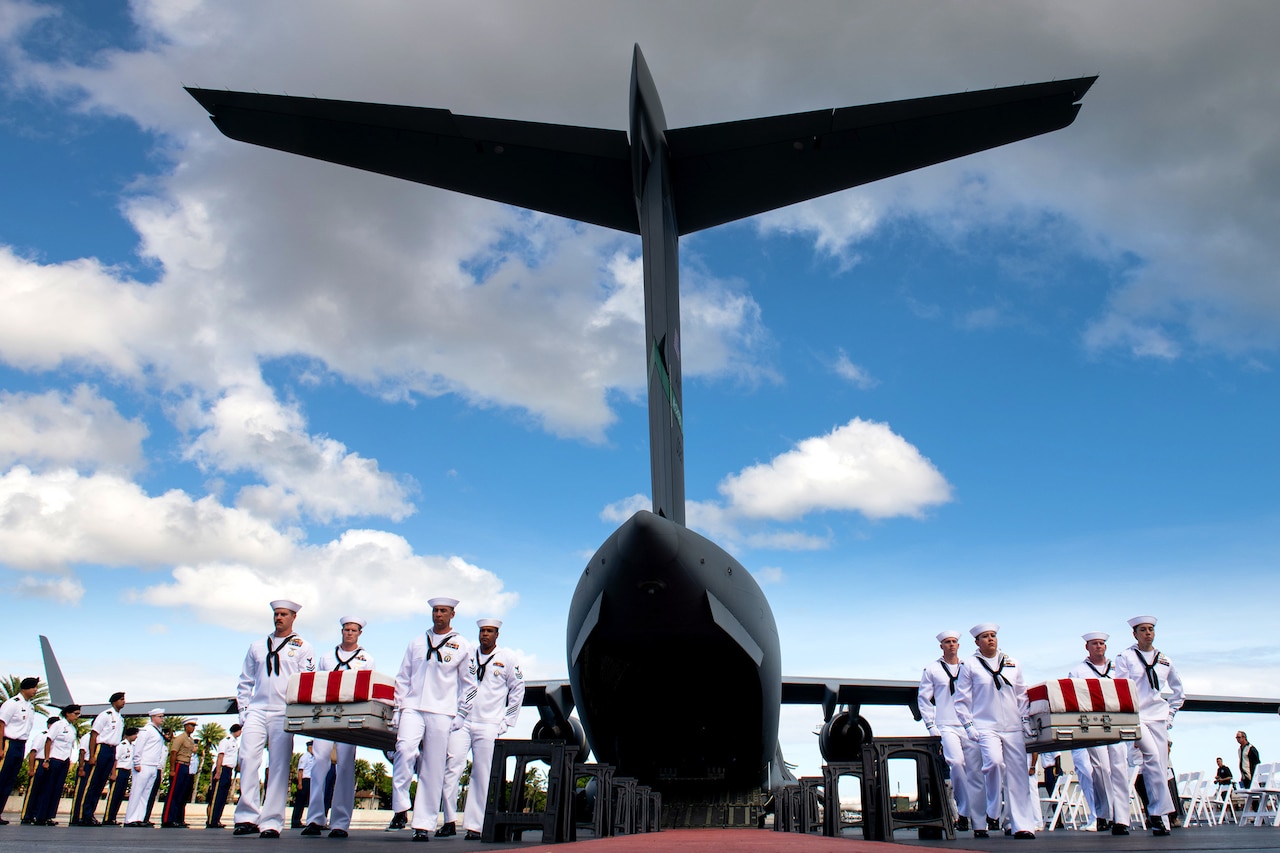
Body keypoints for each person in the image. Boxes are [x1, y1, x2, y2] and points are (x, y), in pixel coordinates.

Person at [390, 596, 476, 841]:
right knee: (404, 750)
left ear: (452, 615)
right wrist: (398, 708)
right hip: (413, 706)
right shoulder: (417, 642)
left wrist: (462, 712)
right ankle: (401, 805)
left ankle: (423, 825)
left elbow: (469, 684)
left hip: (442, 711)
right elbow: (403, 677)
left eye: (443, 611)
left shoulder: (462, 645)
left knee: (433, 768)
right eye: (435, 610)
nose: (438, 615)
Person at [234, 598, 317, 839]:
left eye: (284, 614)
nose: (279, 617)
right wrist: (244, 712)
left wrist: (298, 712)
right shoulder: (257, 646)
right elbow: (245, 680)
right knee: (247, 759)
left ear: (293, 618)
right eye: (276, 614)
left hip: (283, 710)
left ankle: (271, 821)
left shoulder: (303, 647)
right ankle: (246, 817)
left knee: (279, 766)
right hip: (258, 710)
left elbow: (307, 682)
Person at [441, 618, 525, 840]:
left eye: (489, 631)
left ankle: (474, 826)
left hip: (489, 723)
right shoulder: (468, 653)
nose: (485, 635)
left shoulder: (506, 658)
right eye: (482, 631)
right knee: (452, 767)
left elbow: (518, 689)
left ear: (497, 635)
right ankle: (448, 820)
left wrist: (507, 721)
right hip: (463, 720)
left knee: (481, 774)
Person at [953, 622, 1038, 840]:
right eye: (985, 636)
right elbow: (961, 699)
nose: (991, 639)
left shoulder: (1012, 663)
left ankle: (1022, 825)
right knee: (993, 763)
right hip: (985, 725)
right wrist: (968, 725)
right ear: (977, 642)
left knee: (1018, 774)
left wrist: (1025, 719)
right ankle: (990, 814)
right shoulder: (970, 665)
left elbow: (1021, 694)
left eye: (993, 635)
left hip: (1012, 725)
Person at [302, 615, 375, 839]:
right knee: (319, 764)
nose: (349, 633)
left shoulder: (366, 659)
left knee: (344, 768)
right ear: (341, 631)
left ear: (359, 633)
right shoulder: (326, 657)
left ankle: (340, 823)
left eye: (353, 630)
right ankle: (315, 818)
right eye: (346, 629)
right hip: (325, 714)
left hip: (350, 716)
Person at [1113, 614, 1184, 837]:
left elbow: (1178, 692)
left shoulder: (1164, 660)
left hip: (1158, 717)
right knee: (1151, 757)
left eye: (1151, 629)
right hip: (1138, 716)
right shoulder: (1126, 657)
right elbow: (1121, 689)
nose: (1148, 633)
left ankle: (1159, 817)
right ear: (1134, 634)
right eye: (1143, 629)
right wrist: (1129, 722)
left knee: (1160, 766)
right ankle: (1157, 814)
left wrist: (1170, 716)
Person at [1067, 631, 1132, 835]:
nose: (1099, 647)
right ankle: (1104, 813)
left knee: (1119, 768)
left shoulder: (1117, 669)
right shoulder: (1078, 671)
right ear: (1087, 647)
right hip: (1093, 723)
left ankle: (1121, 818)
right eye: (1094, 643)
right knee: (1101, 768)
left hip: (1116, 721)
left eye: (1102, 643)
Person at [917, 628, 975, 833]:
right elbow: (924, 698)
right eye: (947, 642)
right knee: (956, 764)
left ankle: (978, 817)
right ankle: (963, 813)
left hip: (969, 725)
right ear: (941, 646)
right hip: (946, 724)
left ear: (959, 645)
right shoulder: (932, 669)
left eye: (954, 641)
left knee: (975, 771)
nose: (951, 644)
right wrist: (931, 726)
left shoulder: (969, 667)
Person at [72, 690, 126, 826]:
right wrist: (92, 755)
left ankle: (90, 814)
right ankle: (83, 814)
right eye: (121, 699)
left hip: (112, 749)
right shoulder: (105, 715)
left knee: (100, 784)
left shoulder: (120, 718)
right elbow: (94, 735)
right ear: (114, 701)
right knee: (92, 783)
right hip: (101, 748)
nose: (124, 702)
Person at [0, 676, 41, 824]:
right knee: (1, 777)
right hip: (9, 742)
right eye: (33, 687)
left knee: (9, 780)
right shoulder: (12, 704)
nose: (35, 690)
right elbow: (1, 724)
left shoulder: (30, 706)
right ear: (25, 688)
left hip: (21, 744)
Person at [35, 704, 82, 825]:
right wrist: (46, 759)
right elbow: (49, 741)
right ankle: (40, 816)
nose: (77, 716)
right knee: (48, 787)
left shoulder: (72, 729)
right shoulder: (58, 725)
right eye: (75, 714)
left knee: (57, 788)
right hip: (54, 758)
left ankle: (49, 816)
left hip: (65, 759)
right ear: (68, 713)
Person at [124, 709, 167, 827]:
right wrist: (137, 762)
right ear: (153, 717)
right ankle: (130, 819)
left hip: (153, 765)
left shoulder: (157, 731)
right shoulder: (146, 730)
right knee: (137, 792)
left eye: (162, 716)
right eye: (160, 716)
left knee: (145, 794)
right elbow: (139, 747)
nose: (162, 719)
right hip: (143, 764)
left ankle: (139, 818)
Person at [162, 717, 198, 827]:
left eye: (194, 726)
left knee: (182, 794)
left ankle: (178, 818)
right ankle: (168, 819)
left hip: (187, 766)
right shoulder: (180, 738)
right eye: (191, 726)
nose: (193, 728)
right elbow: (173, 753)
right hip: (179, 765)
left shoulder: (190, 740)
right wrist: (172, 769)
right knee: (174, 792)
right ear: (186, 726)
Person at [206, 723, 241, 828]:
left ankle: (217, 819)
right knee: (216, 796)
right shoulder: (226, 741)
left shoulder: (235, 742)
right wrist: (217, 772)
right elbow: (220, 756)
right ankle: (211, 820)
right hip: (222, 768)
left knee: (222, 797)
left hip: (229, 770)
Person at [19, 716, 53, 824]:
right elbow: (33, 752)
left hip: (48, 764)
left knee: (43, 791)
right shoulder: (42, 736)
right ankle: (26, 815)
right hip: (39, 762)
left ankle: (36, 814)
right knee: (33, 791)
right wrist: (31, 768)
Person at [102, 726, 138, 825]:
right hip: (119, 770)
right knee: (114, 795)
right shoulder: (121, 745)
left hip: (126, 771)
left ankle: (113, 817)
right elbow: (115, 759)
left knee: (120, 795)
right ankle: (107, 818)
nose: (136, 737)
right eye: (135, 734)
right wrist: (113, 773)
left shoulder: (132, 746)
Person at [290, 741, 315, 828]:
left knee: (305, 802)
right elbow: (300, 771)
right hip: (304, 780)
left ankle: (299, 820)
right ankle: (295, 821)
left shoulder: (313, 757)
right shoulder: (304, 757)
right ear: (309, 747)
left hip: (310, 780)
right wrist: (300, 783)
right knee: (299, 802)